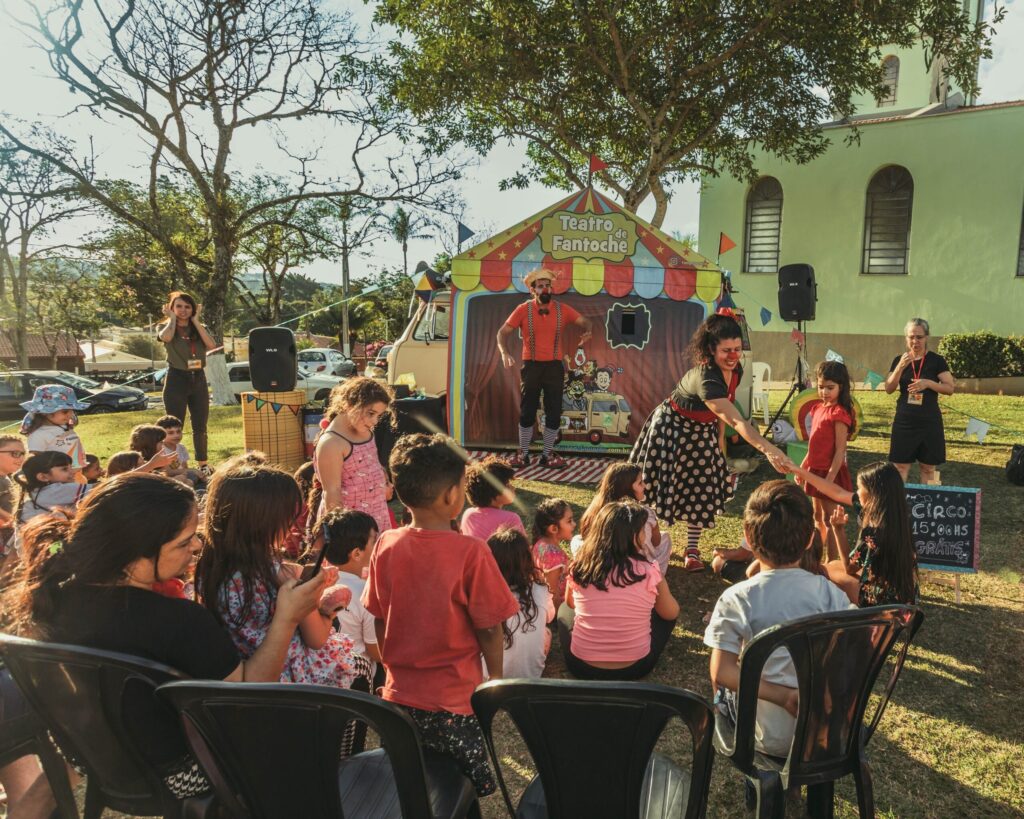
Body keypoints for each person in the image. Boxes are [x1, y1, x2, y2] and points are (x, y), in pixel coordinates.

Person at [1, 473, 331, 799]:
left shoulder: (53, 597)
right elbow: (247, 692)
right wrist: (287, 617)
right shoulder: (179, 621)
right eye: (184, 542)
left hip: (96, 757)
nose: (198, 545)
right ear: (135, 553)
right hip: (182, 771)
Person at [362, 433, 519, 796]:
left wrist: (391, 666)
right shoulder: (472, 553)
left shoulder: (386, 543)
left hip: (398, 701)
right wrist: (493, 681)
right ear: (452, 496)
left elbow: (379, 617)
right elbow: (490, 629)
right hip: (455, 703)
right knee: (463, 789)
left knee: (409, 784)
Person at [630, 313, 792, 572]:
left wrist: (718, 446)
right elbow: (738, 421)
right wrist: (771, 450)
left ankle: (692, 549)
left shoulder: (734, 370)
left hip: (702, 428)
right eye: (726, 350)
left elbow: (723, 415)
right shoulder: (706, 378)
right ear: (710, 349)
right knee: (651, 485)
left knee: (702, 485)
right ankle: (641, 542)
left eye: (737, 349)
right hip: (672, 428)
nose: (733, 355)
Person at [704, 481, 855, 757]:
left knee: (721, 692)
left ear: (748, 539)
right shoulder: (832, 595)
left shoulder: (736, 598)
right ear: (810, 538)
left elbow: (722, 672)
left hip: (762, 735)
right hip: (822, 733)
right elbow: (860, 645)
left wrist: (785, 697)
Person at [195, 466, 364, 689]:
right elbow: (317, 639)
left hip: (241, 674)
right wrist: (325, 612)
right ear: (271, 523)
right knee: (361, 667)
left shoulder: (207, 572)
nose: (292, 525)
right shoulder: (284, 578)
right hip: (293, 682)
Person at [558, 501, 680, 681]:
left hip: (581, 666)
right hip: (635, 667)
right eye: (642, 531)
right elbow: (671, 613)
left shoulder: (579, 567)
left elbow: (570, 604)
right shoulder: (650, 570)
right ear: (634, 536)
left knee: (564, 610)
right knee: (664, 612)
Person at [496, 267, 592, 469]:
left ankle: (547, 455)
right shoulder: (523, 309)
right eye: (540, 286)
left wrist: (588, 331)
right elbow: (502, 333)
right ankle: (523, 454)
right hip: (531, 366)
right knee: (527, 411)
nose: (545, 289)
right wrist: (504, 353)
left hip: (554, 368)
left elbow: (585, 321)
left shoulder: (562, 309)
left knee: (554, 411)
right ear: (533, 290)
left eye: (548, 285)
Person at [791, 461, 919, 607]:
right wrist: (801, 472)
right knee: (832, 564)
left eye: (859, 488)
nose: (857, 493)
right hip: (907, 597)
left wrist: (838, 530)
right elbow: (837, 492)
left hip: (883, 604)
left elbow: (849, 567)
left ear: (872, 494)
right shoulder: (898, 513)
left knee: (823, 570)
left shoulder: (874, 531)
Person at [313, 377, 393, 535]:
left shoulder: (366, 432)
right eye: (370, 413)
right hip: (352, 528)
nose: (374, 421)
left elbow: (372, 463)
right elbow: (332, 492)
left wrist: (384, 482)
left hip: (377, 516)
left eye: (378, 415)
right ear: (349, 404)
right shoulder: (332, 443)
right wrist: (341, 534)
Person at [884, 318, 955, 485]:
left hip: (929, 421)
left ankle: (927, 508)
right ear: (906, 338)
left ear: (927, 337)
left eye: (919, 337)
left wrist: (928, 383)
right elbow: (888, 388)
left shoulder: (937, 361)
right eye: (911, 337)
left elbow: (949, 388)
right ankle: (899, 506)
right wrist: (900, 367)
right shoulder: (899, 360)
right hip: (905, 420)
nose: (915, 341)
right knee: (900, 466)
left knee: (928, 468)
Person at [317, 509, 382, 682]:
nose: (379, 545)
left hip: (321, 673)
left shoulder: (316, 584)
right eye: (375, 540)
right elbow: (376, 652)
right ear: (357, 553)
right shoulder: (365, 591)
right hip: (356, 682)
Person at [157, 291, 218, 476]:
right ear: (171, 308)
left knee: (200, 425)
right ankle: (172, 464)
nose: (183, 310)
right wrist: (172, 319)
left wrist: (197, 321)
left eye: (187, 307)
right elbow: (166, 338)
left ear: (193, 309)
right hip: (177, 378)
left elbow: (212, 345)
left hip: (198, 378)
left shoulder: (199, 328)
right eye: (179, 306)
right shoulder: (166, 326)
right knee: (174, 425)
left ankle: (203, 463)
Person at [801, 361, 856, 560]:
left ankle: (833, 562)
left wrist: (830, 479)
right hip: (815, 472)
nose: (824, 392)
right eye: (821, 386)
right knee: (818, 517)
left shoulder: (839, 413)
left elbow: (840, 450)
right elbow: (814, 444)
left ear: (841, 387)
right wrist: (803, 467)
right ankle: (816, 558)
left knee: (831, 520)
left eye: (830, 388)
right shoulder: (817, 408)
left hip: (830, 473)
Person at [575, 462, 671, 574]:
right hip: (639, 568)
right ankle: (656, 574)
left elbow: (585, 535)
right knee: (665, 538)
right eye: (640, 483)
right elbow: (656, 541)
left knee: (576, 540)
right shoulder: (646, 514)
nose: (644, 485)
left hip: (603, 565)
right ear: (626, 488)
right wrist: (654, 525)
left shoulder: (597, 508)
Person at [485, 526, 554, 679]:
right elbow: (549, 617)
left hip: (488, 679)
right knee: (547, 632)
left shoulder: (481, 596)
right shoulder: (539, 589)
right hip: (531, 677)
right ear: (527, 560)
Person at [20, 385, 88, 471]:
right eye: (65, 411)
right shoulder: (38, 434)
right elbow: (35, 461)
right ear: (45, 412)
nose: (70, 414)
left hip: (77, 475)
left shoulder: (64, 426)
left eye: (72, 410)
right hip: (59, 481)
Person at [459, 456, 526, 541]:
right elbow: (524, 551)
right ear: (494, 492)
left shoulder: (468, 514)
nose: (513, 487)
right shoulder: (511, 518)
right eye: (507, 485)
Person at [14, 452, 91, 525]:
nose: (72, 472)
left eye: (71, 467)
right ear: (43, 477)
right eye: (64, 469)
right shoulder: (56, 490)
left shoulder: (37, 491)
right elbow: (100, 488)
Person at [531, 498, 574, 608]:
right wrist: (557, 619)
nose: (574, 524)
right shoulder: (553, 555)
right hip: (559, 607)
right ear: (554, 528)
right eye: (569, 521)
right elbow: (552, 593)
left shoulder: (540, 543)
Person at [155, 415, 206, 487]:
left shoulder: (181, 448)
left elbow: (184, 468)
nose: (176, 435)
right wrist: (192, 471)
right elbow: (168, 472)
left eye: (178, 431)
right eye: (171, 433)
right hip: (167, 478)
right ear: (161, 435)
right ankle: (187, 488)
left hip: (183, 476)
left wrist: (194, 472)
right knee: (187, 478)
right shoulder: (161, 449)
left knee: (196, 476)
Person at [0, 434, 26, 568]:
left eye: (23, 453)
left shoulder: (5, 477)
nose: (21, 458)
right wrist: (12, 520)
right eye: (15, 453)